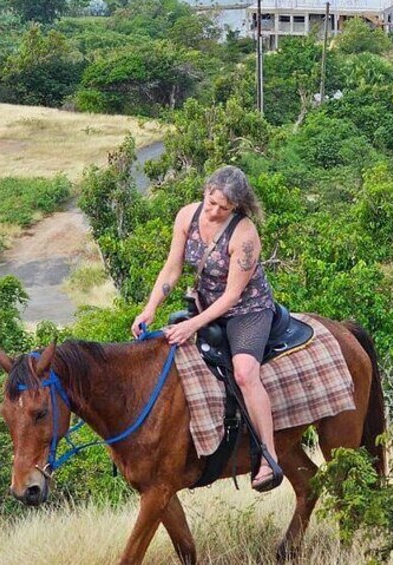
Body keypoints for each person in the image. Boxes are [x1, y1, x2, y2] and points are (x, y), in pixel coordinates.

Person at [131, 165, 280, 492]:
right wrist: (150, 308)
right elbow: (172, 268)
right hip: (203, 304)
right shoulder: (187, 216)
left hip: (246, 310)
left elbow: (232, 295)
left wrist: (194, 326)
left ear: (236, 208)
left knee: (244, 372)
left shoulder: (245, 234)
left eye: (223, 208)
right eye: (212, 202)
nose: (214, 211)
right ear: (206, 191)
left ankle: (268, 455)